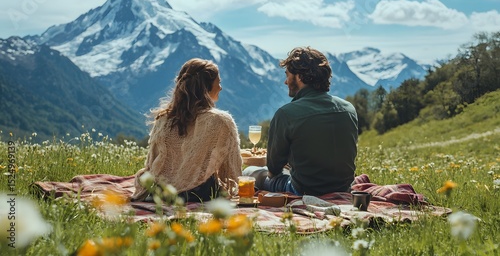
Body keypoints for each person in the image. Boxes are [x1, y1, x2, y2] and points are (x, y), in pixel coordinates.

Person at [243, 47, 358, 196]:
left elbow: (273, 170)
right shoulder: (349, 109)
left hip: (304, 190)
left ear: (299, 77)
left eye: (287, 75)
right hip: (344, 188)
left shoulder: (286, 114)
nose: (285, 82)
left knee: (250, 172)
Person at [131, 58, 242, 202]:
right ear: (206, 86)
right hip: (199, 193)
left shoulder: (164, 119)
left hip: (160, 191)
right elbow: (233, 170)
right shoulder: (220, 120)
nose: (220, 87)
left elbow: (153, 164)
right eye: (218, 82)